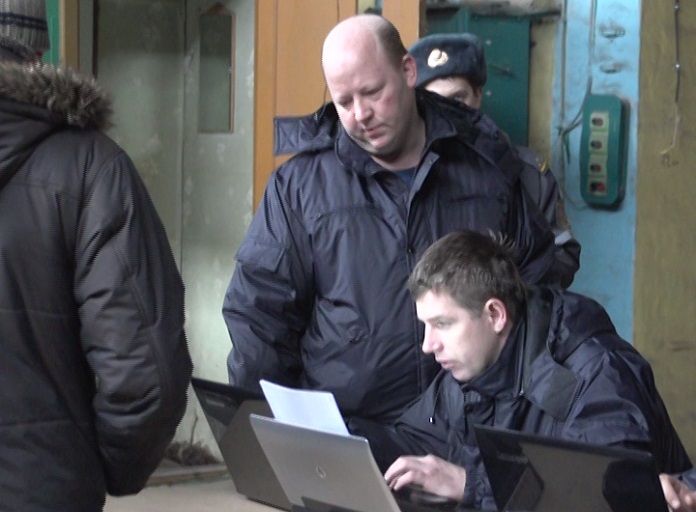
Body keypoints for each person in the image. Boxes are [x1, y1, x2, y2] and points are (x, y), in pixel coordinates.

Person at [223, 13, 559, 424]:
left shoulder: (488, 167)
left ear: (408, 71)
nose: (360, 114)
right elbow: (260, 318)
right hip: (347, 432)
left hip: (469, 430)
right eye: (344, 102)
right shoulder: (298, 188)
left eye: (372, 92)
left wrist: (518, 414)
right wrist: (265, 429)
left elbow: (536, 295)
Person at [0, 2, 192, 510]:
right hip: (42, 488)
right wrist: (102, 468)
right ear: (37, 55)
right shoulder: (94, 168)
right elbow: (145, 372)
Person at [343, 229, 692, 509]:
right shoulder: (469, 369)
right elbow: (414, 441)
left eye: (442, 324)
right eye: (425, 325)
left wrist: (469, 484)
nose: (428, 344)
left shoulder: (596, 374)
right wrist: (341, 435)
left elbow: (597, 497)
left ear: (495, 315)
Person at [409, 33, 581, 288]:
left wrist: (504, 292)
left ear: (478, 95)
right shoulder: (407, 173)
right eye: (434, 99)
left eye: (457, 98)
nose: (445, 110)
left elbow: (561, 253)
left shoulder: (525, 171)